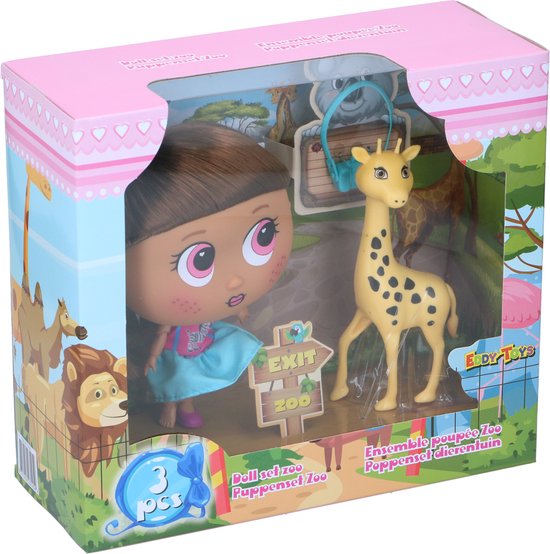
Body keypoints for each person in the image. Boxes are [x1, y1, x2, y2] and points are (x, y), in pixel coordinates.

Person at [125, 121, 293, 429]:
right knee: (176, 382)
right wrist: (152, 358)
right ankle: (171, 407)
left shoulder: (209, 308)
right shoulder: (170, 319)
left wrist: (241, 309)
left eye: (264, 235)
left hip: (200, 348)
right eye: (199, 261)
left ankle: (186, 406)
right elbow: (161, 334)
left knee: (191, 383)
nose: (234, 281)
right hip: (177, 355)